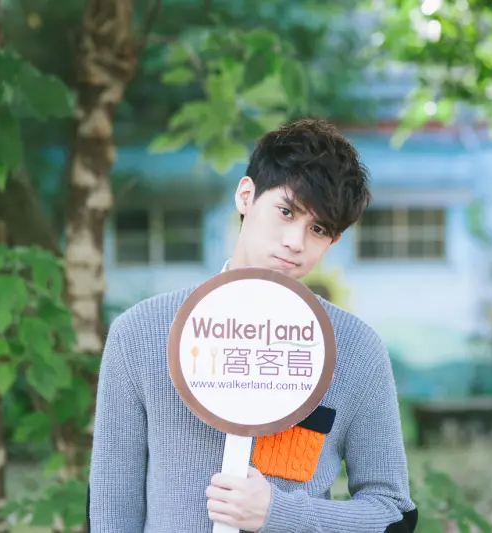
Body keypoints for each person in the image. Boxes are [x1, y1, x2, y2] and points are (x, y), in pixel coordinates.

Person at [88, 118, 418, 532]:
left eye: (318, 229)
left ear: (333, 241)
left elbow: (393, 514)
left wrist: (281, 514)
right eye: (286, 211)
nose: (295, 241)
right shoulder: (141, 333)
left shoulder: (355, 349)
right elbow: (111, 507)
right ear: (246, 196)